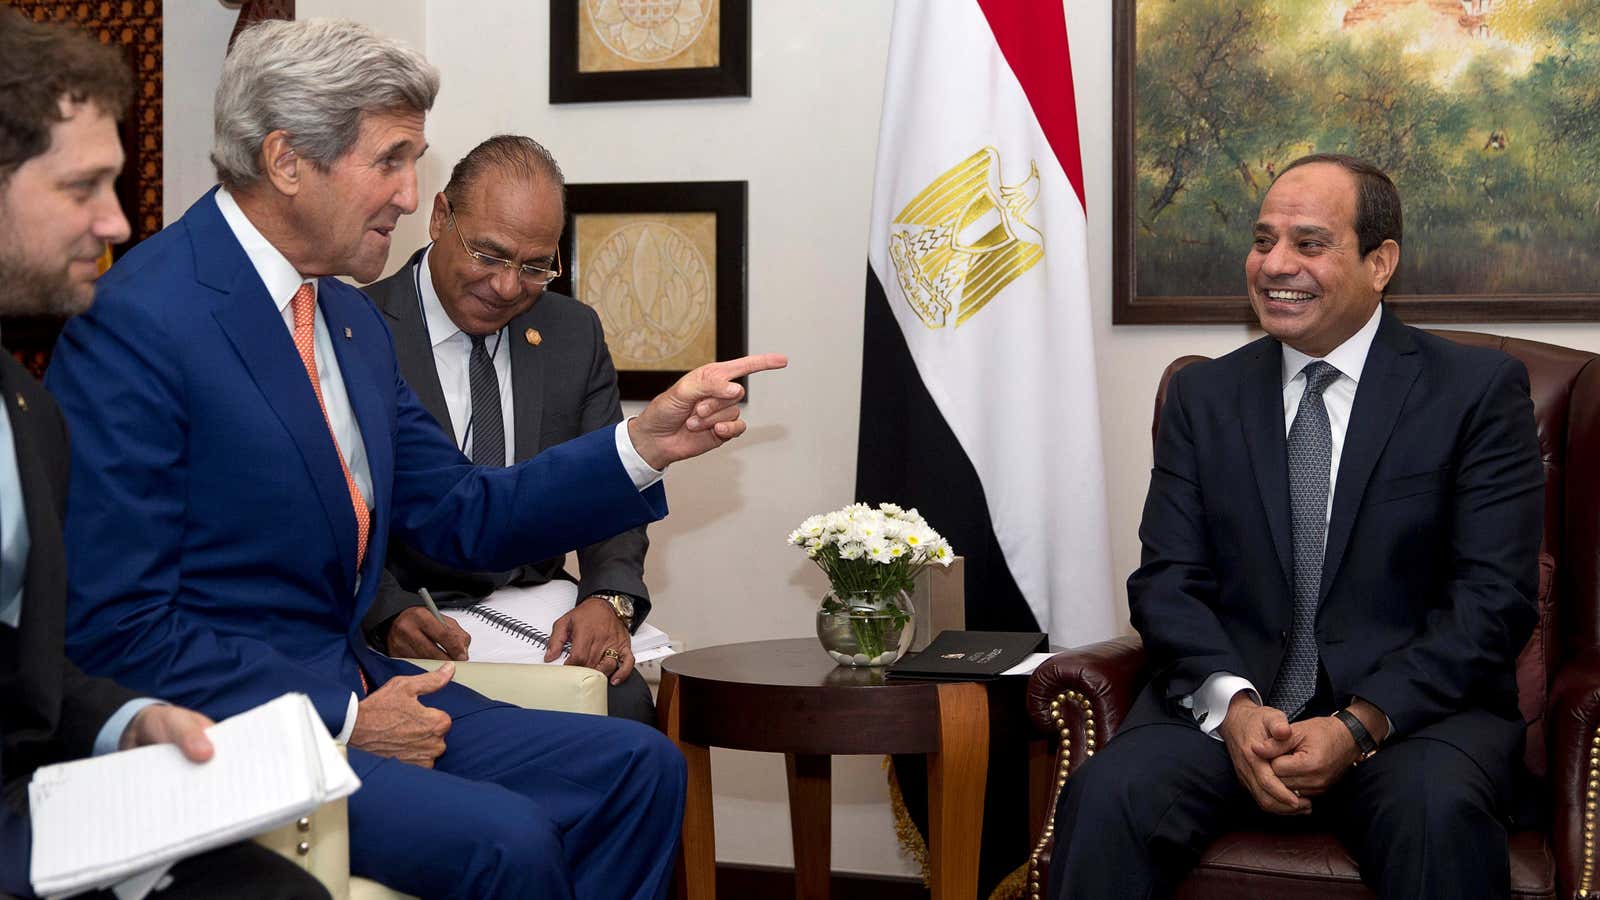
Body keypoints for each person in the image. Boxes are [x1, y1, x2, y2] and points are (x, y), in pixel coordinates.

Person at [44, 18, 783, 900]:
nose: (408, 193)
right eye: (391, 161)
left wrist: (641, 445)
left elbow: (466, 512)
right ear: (286, 161)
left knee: (638, 768)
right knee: (509, 842)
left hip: (359, 684)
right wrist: (346, 719)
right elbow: (118, 630)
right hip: (239, 732)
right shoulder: (141, 319)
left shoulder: (347, 324)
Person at [1047, 154, 1543, 898]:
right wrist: (1234, 706)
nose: (1275, 264)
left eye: (1309, 244)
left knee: (1435, 813)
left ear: (1380, 263)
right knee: (1107, 797)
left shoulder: (1474, 393)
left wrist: (1359, 723)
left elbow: (1493, 601)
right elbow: (1167, 582)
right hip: (1234, 714)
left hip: (1414, 718)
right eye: (1263, 239)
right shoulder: (1203, 397)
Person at [0, 11, 330, 899]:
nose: (115, 219)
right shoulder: (125, 338)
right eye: (83, 187)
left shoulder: (24, 408)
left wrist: (127, 722)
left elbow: (17, 662)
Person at [362, 135, 656, 724]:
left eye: (534, 266)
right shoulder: (357, 330)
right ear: (440, 217)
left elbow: (610, 488)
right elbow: (335, 512)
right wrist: (388, 614)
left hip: (534, 615)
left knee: (624, 706)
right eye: (489, 255)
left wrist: (607, 597)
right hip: (412, 624)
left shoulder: (572, 332)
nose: (506, 286)